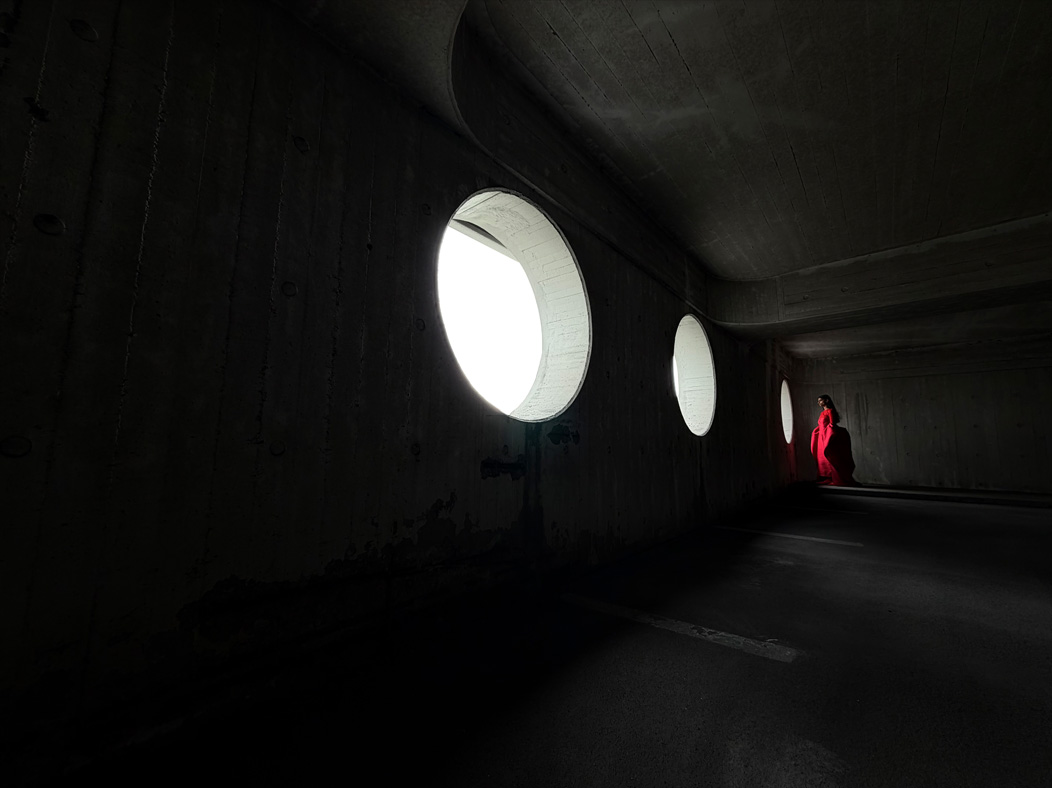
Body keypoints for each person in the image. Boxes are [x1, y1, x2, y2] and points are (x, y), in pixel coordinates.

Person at [811, 394, 857, 486]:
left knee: (830, 456)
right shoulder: (822, 413)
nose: (818, 402)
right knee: (822, 458)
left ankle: (835, 478)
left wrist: (828, 435)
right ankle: (827, 478)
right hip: (821, 437)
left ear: (827, 400)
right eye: (818, 401)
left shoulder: (830, 411)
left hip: (828, 437)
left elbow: (832, 425)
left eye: (820, 400)